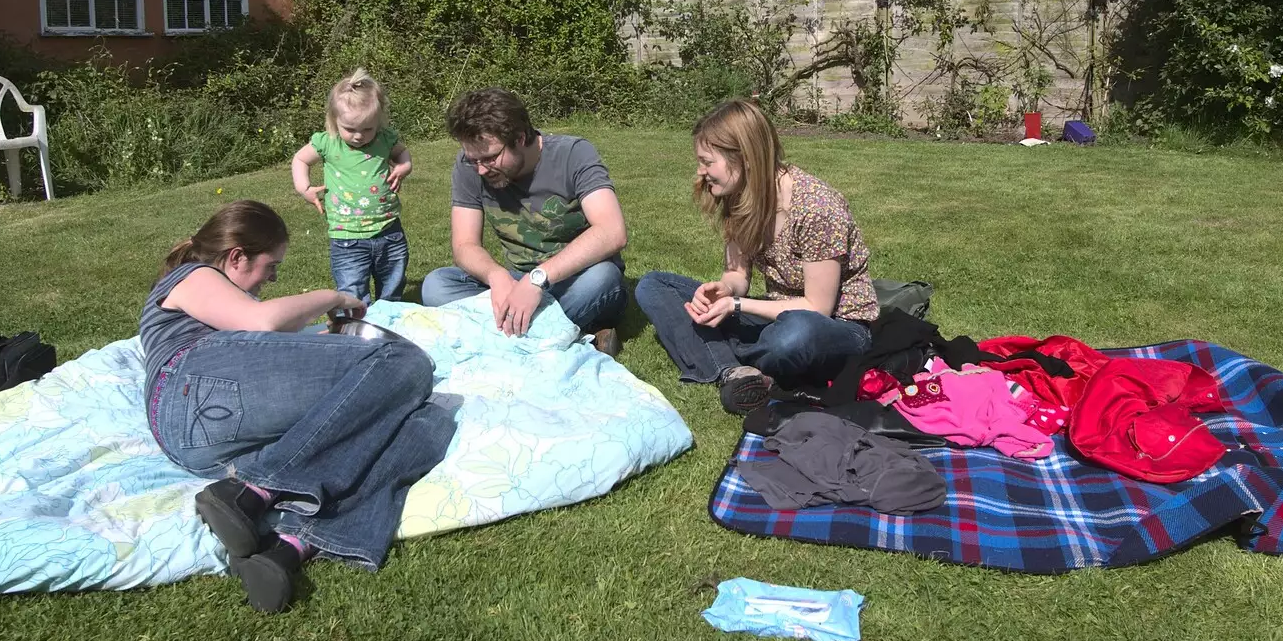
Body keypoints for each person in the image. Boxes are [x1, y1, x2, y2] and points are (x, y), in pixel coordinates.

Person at [140, 200, 454, 613]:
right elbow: (261, 323)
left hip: (207, 442)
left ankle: (290, 546)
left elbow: (265, 343)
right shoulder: (195, 275)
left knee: (420, 419)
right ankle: (257, 488)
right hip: (188, 385)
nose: (271, 279)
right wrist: (334, 295)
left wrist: (321, 341)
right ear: (237, 256)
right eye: (271, 266)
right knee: (406, 362)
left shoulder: (220, 300)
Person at [635, 98, 879, 414]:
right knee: (653, 286)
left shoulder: (818, 208)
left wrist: (736, 306)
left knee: (794, 337)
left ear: (745, 158)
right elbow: (737, 275)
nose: (700, 171)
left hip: (835, 327)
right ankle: (736, 372)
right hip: (775, 313)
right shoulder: (741, 195)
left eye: (707, 162)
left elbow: (818, 308)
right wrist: (724, 290)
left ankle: (721, 352)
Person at [420, 87, 628, 353]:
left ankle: (503, 333)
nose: (481, 169)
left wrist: (537, 280)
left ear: (520, 138)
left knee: (603, 277)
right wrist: (496, 277)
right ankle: (557, 332)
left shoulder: (574, 154)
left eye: (490, 158)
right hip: (514, 280)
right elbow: (464, 245)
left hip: (574, 280)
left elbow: (612, 231)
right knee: (436, 285)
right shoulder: (468, 165)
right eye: (474, 160)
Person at [290, 68, 413, 303]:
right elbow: (300, 159)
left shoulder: (384, 139)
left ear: (378, 122)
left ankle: (391, 322)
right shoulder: (329, 142)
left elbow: (402, 153)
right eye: (350, 129)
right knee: (352, 292)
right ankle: (356, 327)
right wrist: (304, 188)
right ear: (334, 121)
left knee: (393, 286)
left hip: (389, 230)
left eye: (367, 129)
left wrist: (404, 167)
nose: (359, 136)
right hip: (347, 237)